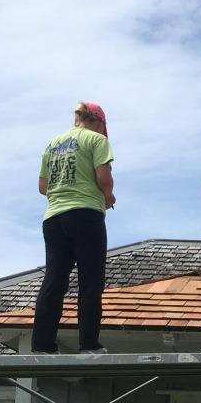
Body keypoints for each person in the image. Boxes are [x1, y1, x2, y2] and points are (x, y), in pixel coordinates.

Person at [31, 102, 116, 354]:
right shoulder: (97, 141)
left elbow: (42, 186)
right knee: (90, 280)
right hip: (86, 213)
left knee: (54, 280)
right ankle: (88, 344)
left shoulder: (52, 144)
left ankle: (42, 345)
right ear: (100, 122)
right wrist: (108, 197)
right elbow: (103, 176)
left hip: (54, 218)